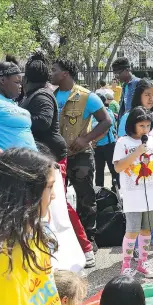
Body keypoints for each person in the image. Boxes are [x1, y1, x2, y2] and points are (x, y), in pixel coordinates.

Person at [19, 53, 97, 268]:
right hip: (46, 155)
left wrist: (17, 117)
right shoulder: (41, 93)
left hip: (55, 156)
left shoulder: (44, 96)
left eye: (56, 69)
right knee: (45, 205)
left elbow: (43, 122)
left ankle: (86, 246)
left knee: (61, 203)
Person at [0, 148, 62, 305]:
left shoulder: (34, 234)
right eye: (49, 187)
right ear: (27, 192)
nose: (53, 195)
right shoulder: (7, 258)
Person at [52, 58, 112, 250]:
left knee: (86, 198)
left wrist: (86, 139)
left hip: (80, 155)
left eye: (54, 70)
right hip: (55, 157)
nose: (50, 74)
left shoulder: (87, 96)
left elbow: (106, 121)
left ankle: (88, 238)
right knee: (56, 198)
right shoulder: (50, 95)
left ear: (65, 74)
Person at [117, 79, 153, 260]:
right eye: (147, 94)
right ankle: (139, 246)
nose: (150, 98)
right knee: (137, 209)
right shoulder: (128, 116)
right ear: (138, 95)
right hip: (135, 170)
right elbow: (121, 143)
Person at [113, 107, 153, 278]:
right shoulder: (123, 142)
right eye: (141, 125)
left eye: (148, 126)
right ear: (132, 125)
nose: (145, 129)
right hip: (132, 196)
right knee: (132, 231)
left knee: (147, 230)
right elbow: (118, 166)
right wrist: (137, 153)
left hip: (151, 194)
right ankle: (126, 265)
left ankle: (143, 263)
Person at [94, 93, 118, 188]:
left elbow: (105, 130)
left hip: (108, 145)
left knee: (113, 170)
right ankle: (99, 192)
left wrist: (93, 141)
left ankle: (115, 190)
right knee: (99, 171)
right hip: (97, 147)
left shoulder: (108, 113)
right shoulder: (93, 114)